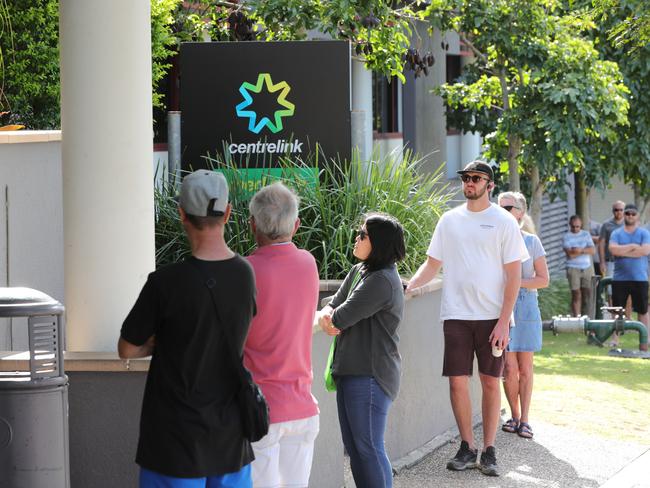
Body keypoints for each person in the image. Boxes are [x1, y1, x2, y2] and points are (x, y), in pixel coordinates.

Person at [118, 170, 256, 488]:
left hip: (173, 439)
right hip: (230, 435)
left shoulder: (165, 282)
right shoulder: (244, 274)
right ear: (229, 212)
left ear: (181, 214)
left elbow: (127, 348)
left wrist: (163, 340)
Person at [406, 161, 528, 477]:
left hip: (492, 318)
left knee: (490, 382)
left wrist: (504, 321)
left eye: (475, 178)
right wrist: (408, 286)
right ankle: (466, 446)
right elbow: (432, 265)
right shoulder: (449, 221)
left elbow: (514, 277)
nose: (468, 183)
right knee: (457, 381)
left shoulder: (504, 222)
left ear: (489, 184)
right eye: (465, 178)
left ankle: (488, 450)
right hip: (456, 315)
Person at [317, 213, 406, 488]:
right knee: (356, 450)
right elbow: (331, 302)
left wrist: (330, 315)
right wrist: (327, 313)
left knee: (367, 448)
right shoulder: (361, 271)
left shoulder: (382, 281)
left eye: (362, 235)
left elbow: (342, 316)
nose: (356, 238)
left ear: (378, 242)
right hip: (351, 372)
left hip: (370, 376)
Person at [244, 182, 320, 488]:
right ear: (296, 224)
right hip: (302, 406)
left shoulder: (245, 271)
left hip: (260, 408)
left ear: (252, 224)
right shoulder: (308, 264)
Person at [497, 192, 549, 440]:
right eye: (500, 206)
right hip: (501, 309)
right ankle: (514, 416)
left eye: (509, 207)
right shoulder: (493, 241)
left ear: (521, 212)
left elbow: (543, 279)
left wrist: (516, 283)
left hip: (526, 309)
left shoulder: (532, 242)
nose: (504, 210)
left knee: (525, 367)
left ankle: (525, 419)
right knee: (508, 366)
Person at [609, 203, 650, 349]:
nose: (630, 216)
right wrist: (633, 247)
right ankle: (615, 339)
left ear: (637, 216)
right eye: (627, 214)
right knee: (617, 311)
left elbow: (645, 251)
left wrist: (624, 251)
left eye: (633, 214)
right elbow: (613, 250)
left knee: (643, 310)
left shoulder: (644, 233)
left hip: (640, 278)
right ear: (624, 215)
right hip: (620, 279)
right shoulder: (617, 233)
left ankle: (645, 340)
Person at [562, 215, 595, 317]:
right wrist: (585, 250)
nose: (575, 229)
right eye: (573, 226)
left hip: (587, 267)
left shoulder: (586, 234)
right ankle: (577, 317)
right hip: (573, 268)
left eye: (577, 226)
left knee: (588, 292)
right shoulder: (566, 237)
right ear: (570, 225)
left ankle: (588, 315)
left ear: (581, 225)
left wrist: (579, 250)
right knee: (576, 293)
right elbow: (570, 255)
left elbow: (593, 250)